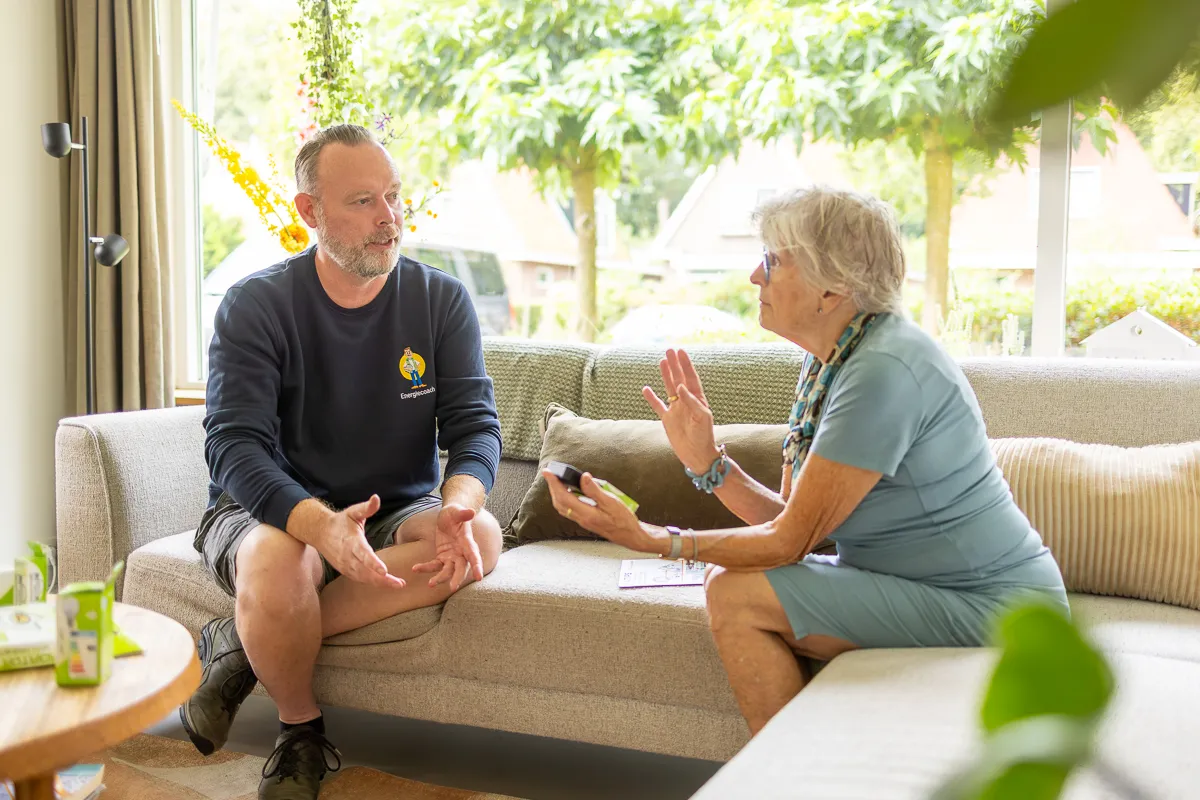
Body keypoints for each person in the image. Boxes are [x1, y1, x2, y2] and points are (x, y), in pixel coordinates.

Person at [543, 186, 1069, 737]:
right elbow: (801, 523)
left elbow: (790, 540)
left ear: (833, 285)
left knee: (734, 592)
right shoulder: (833, 361)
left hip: (997, 609)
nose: (754, 276)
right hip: (921, 585)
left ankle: (788, 781)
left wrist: (656, 539)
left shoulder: (885, 369)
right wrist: (708, 462)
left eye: (773, 260)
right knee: (737, 584)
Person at [182, 124, 504, 799]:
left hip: (393, 508)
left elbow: (475, 428)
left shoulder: (439, 300)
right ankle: (301, 732)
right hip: (265, 510)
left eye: (392, 197)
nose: (388, 218)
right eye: (363, 201)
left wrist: (458, 502)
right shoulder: (256, 305)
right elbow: (233, 445)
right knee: (281, 559)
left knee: (477, 537)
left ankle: (242, 644)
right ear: (310, 211)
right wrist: (319, 525)